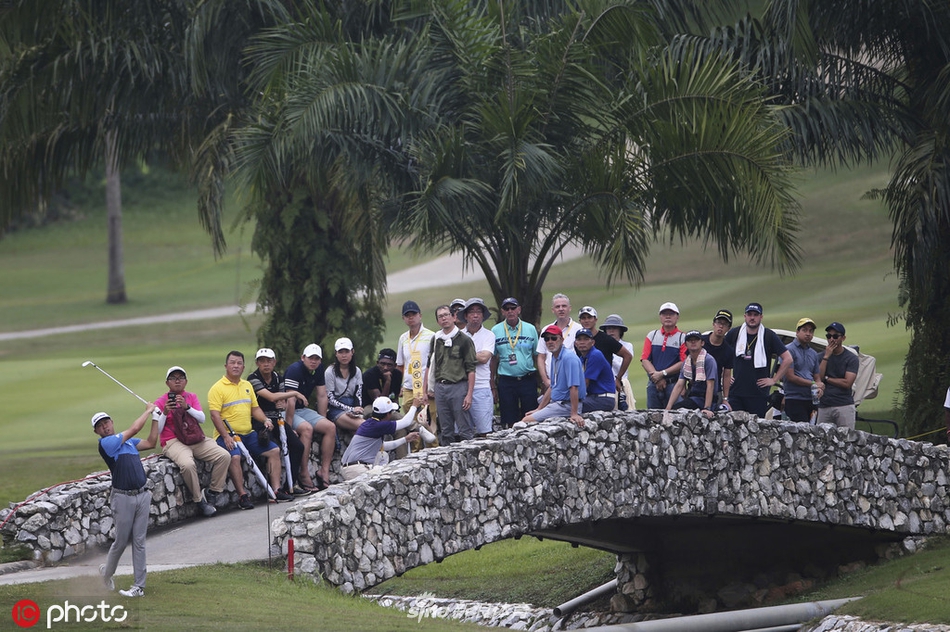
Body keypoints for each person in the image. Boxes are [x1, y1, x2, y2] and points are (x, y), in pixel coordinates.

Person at [208, 350, 294, 508]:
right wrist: (226, 437)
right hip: (228, 435)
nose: (236, 366)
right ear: (226, 366)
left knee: (274, 451)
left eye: (239, 363)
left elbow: (255, 409)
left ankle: (276, 490)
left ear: (243, 367)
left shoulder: (247, 385)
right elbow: (215, 416)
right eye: (232, 363)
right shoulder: (217, 388)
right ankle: (243, 496)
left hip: (248, 434)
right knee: (235, 457)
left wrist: (265, 419)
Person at [93, 405, 158, 598]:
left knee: (139, 542)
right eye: (100, 426)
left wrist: (155, 418)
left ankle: (139, 586)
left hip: (142, 494)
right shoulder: (107, 443)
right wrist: (148, 410)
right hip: (123, 497)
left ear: (112, 423)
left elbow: (151, 443)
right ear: (97, 432)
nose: (105, 427)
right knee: (121, 542)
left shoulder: (128, 442)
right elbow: (135, 428)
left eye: (106, 423)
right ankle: (106, 574)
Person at [152, 366, 231, 517]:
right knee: (187, 464)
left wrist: (187, 407)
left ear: (186, 381)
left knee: (224, 456)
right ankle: (199, 500)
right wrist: (165, 413)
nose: (177, 381)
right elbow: (158, 429)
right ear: (167, 383)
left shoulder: (191, 397)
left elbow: (202, 418)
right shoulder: (161, 402)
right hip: (173, 440)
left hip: (193, 438)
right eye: (173, 378)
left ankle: (213, 491)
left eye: (180, 378)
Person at [247, 348, 318, 494]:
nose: (266, 364)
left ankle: (290, 485)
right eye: (262, 361)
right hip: (260, 420)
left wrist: (282, 402)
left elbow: (281, 403)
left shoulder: (278, 378)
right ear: (257, 363)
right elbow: (272, 397)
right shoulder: (252, 379)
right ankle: (273, 489)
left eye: (269, 361)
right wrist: (295, 393)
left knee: (297, 446)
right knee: (270, 445)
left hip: (277, 418)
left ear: (274, 362)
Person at [723, 303, 793, 416]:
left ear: (761, 317)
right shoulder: (734, 333)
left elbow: (788, 358)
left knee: (756, 425)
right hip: (736, 392)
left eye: (755, 315)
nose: (752, 318)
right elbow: (721, 354)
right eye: (749, 314)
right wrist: (725, 376)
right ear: (745, 316)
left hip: (758, 394)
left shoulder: (769, 335)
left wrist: (774, 380)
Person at [284, 344, 336, 489]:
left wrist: (322, 418)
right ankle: (304, 473)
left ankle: (324, 471)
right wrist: (289, 428)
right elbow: (290, 400)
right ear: (303, 358)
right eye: (310, 358)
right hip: (286, 409)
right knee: (307, 429)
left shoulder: (318, 369)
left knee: (330, 427)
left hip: (302, 409)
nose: (313, 361)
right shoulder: (295, 370)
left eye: (316, 358)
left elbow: (322, 395)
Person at [425, 304, 476, 444]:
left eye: (446, 315)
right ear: (437, 321)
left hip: (458, 386)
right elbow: (430, 364)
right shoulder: (436, 339)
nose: (444, 318)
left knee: (464, 427)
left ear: (454, 317)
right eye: (440, 316)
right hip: (440, 387)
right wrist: (426, 390)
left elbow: (471, 369)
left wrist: (469, 394)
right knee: (445, 429)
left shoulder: (464, 340)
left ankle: (468, 455)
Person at [340, 396, 423, 480]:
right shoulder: (380, 425)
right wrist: (414, 406)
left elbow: (383, 446)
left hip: (348, 467)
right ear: (388, 414)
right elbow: (406, 422)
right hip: (356, 469)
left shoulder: (369, 423)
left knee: (383, 455)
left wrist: (405, 439)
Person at [395, 300, 437, 456]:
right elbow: (400, 365)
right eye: (407, 315)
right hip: (408, 387)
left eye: (413, 314)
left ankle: (435, 453)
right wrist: (399, 386)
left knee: (429, 421)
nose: (411, 318)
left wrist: (431, 387)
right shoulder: (403, 338)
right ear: (403, 318)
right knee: (412, 423)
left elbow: (435, 363)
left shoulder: (431, 336)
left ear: (420, 315)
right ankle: (415, 454)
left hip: (426, 388)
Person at [522, 325, 586, 427]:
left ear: (561, 340)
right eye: (547, 339)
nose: (550, 341)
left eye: (554, 338)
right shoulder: (554, 357)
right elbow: (552, 386)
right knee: (531, 410)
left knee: (526, 420)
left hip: (566, 405)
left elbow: (574, 387)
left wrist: (574, 413)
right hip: (558, 402)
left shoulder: (569, 358)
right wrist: (539, 409)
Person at [491, 297, 539, 427]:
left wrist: (543, 381)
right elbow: (493, 359)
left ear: (519, 310)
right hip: (507, 381)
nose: (510, 311)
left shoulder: (530, 329)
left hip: (527, 379)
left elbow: (537, 355)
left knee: (530, 417)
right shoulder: (495, 330)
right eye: (506, 309)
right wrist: (492, 384)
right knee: (508, 420)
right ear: (502, 311)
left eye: (513, 308)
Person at [640, 302, 686, 409]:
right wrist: (657, 377)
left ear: (677, 317)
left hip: (674, 384)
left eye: (671, 314)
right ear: (660, 317)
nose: (668, 316)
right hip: (654, 384)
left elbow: (683, 362)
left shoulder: (682, 337)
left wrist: (662, 374)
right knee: (652, 415)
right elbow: (645, 360)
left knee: (675, 415)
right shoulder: (652, 335)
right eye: (665, 314)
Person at [578, 306, 632, 394]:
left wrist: (618, 378)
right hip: (587, 388)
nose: (586, 320)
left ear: (595, 320)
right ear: (580, 321)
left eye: (589, 317)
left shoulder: (606, 339)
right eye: (583, 318)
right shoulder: (579, 342)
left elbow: (627, 356)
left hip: (604, 388)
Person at [664, 330, 718, 418]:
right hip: (693, 398)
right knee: (674, 410)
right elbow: (679, 385)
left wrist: (707, 408)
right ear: (685, 344)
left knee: (677, 411)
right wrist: (668, 408)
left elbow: (710, 385)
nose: (693, 342)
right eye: (690, 340)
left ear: (702, 343)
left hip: (704, 400)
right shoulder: (687, 362)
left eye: (696, 340)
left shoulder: (709, 360)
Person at [537, 293, 583, 393]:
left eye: (564, 306)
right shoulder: (546, 330)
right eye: (557, 307)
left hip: (571, 382)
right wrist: (545, 380)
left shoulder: (578, 329)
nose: (561, 309)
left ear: (569, 308)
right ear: (553, 310)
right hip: (550, 383)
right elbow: (541, 356)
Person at [462, 297, 496, 437]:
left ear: (483, 315)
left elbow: (484, 358)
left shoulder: (489, 335)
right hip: (461, 387)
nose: (475, 315)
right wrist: (475, 355)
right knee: (463, 433)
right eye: (471, 312)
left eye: (478, 312)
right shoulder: (458, 335)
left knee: (485, 431)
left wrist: (462, 355)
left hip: (481, 387)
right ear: (466, 315)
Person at [817, 322, 859, 428]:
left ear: (843, 338)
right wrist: (826, 357)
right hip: (824, 405)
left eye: (835, 336)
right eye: (829, 336)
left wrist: (827, 378)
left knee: (846, 436)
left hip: (844, 404)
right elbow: (819, 378)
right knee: (821, 436)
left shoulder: (851, 358)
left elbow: (847, 383)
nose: (832, 339)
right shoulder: (820, 357)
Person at [781, 318, 823, 423]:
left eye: (811, 331)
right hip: (794, 399)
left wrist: (820, 387)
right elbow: (790, 376)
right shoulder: (788, 350)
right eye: (804, 330)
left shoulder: (813, 353)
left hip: (811, 399)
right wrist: (813, 383)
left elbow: (817, 377)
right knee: (801, 430)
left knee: (812, 430)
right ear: (797, 332)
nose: (808, 334)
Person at [325, 337, 365, 432]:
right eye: (340, 352)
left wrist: (357, 409)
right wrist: (350, 409)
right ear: (336, 353)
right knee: (364, 426)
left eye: (346, 352)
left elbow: (358, 394)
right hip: (336, 409)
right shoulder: (330, 372)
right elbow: (330, 398)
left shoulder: (357, 371)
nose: (344, 355)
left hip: (353, 406)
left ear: (352, 352)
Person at [574, 328, 616, 412]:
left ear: (592, 342)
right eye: (579, 339)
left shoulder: (595, 355)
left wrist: (571, 398)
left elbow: (585, 382)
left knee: (569, 406)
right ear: (575, 343)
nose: (582, 342)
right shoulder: (583, 358)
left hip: (603, 398)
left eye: (586, 339)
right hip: (594, 397)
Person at [599, 314, 636, 410]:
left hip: (621, 383)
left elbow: (622, 364)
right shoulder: (602, 346)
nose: (611, 331)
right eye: (609, 328)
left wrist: (607, 356)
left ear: (620, 330)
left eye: (614, 328)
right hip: (606, 384)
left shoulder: (627, 346)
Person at [701, 309, 735, 407]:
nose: (721, 326)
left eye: (725, 324)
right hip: (696, 388)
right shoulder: (701, 341)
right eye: (719, 323)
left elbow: (727, 375)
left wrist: (725, 398)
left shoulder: (728, 350)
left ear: (728, 328)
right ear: (713, 324)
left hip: (715, 391)